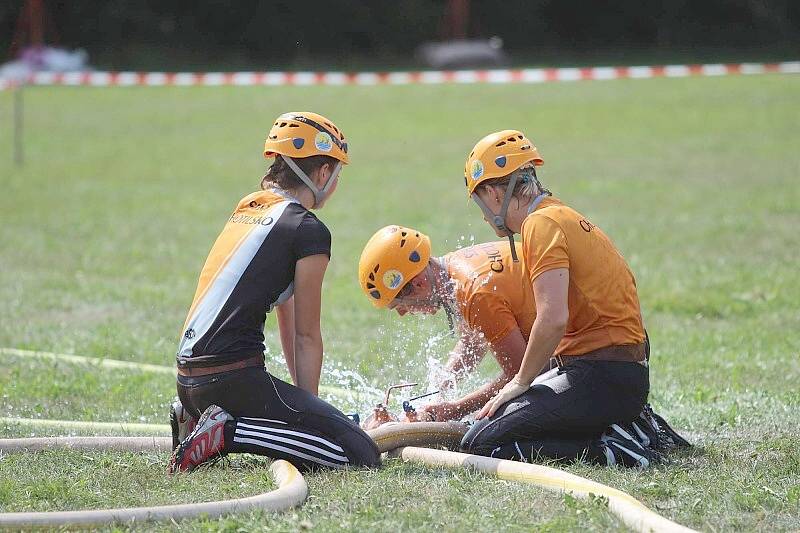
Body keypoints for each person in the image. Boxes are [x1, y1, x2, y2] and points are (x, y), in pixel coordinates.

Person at [453, 129, 687, 467]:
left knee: (482, 444)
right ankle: (625, 425)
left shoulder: (540, 225)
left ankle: (620, 445)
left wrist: (521, 380)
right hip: (614, 371)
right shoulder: (556, 213)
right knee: (484, 427)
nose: (482, 214)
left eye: (479, 202)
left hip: (604, 375)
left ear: (491, 193)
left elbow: (553, 319)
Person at [168, 112, 380, 473]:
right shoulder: (309, 230)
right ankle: (225, 432)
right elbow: (306, 335)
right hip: (230, 378)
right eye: (338, 174)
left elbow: (288, 312)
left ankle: (193, 415)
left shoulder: (249, 206)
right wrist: (311, 415)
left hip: (188, 380)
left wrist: (307, 408)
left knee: (312, 426)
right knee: (360, 454)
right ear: (324, 173)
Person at [358, 229, 533, 422]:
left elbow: (522, 374)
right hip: (562, 346)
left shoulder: (475, 293)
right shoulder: (455, 271)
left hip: (568, 358)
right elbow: (473, 342)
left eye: (400, 304)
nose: (402, 313)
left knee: (481, 434)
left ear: (418, 284)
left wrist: (458, 408)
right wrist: (441, 385)